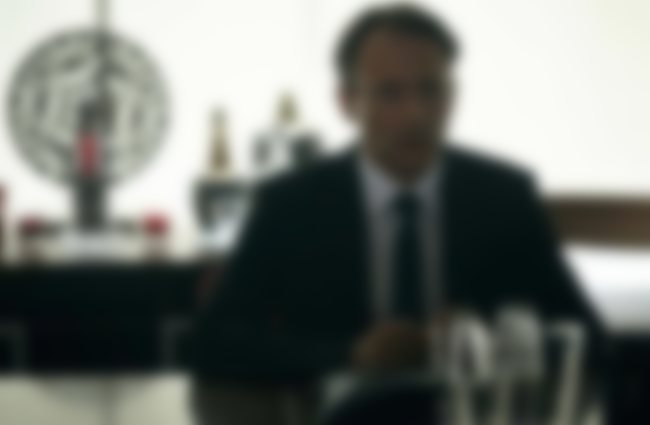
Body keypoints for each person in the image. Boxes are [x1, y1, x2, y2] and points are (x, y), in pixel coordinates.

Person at [192, 4, 605, 424]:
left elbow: (584, 334)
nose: (415, 115)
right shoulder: (290, 202)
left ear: (453, 95)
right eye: (390, 93)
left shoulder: (503, 195)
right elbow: (212, 343)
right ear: (347, 102)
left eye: (432, 90)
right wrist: (349, 354)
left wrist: (485, 340)